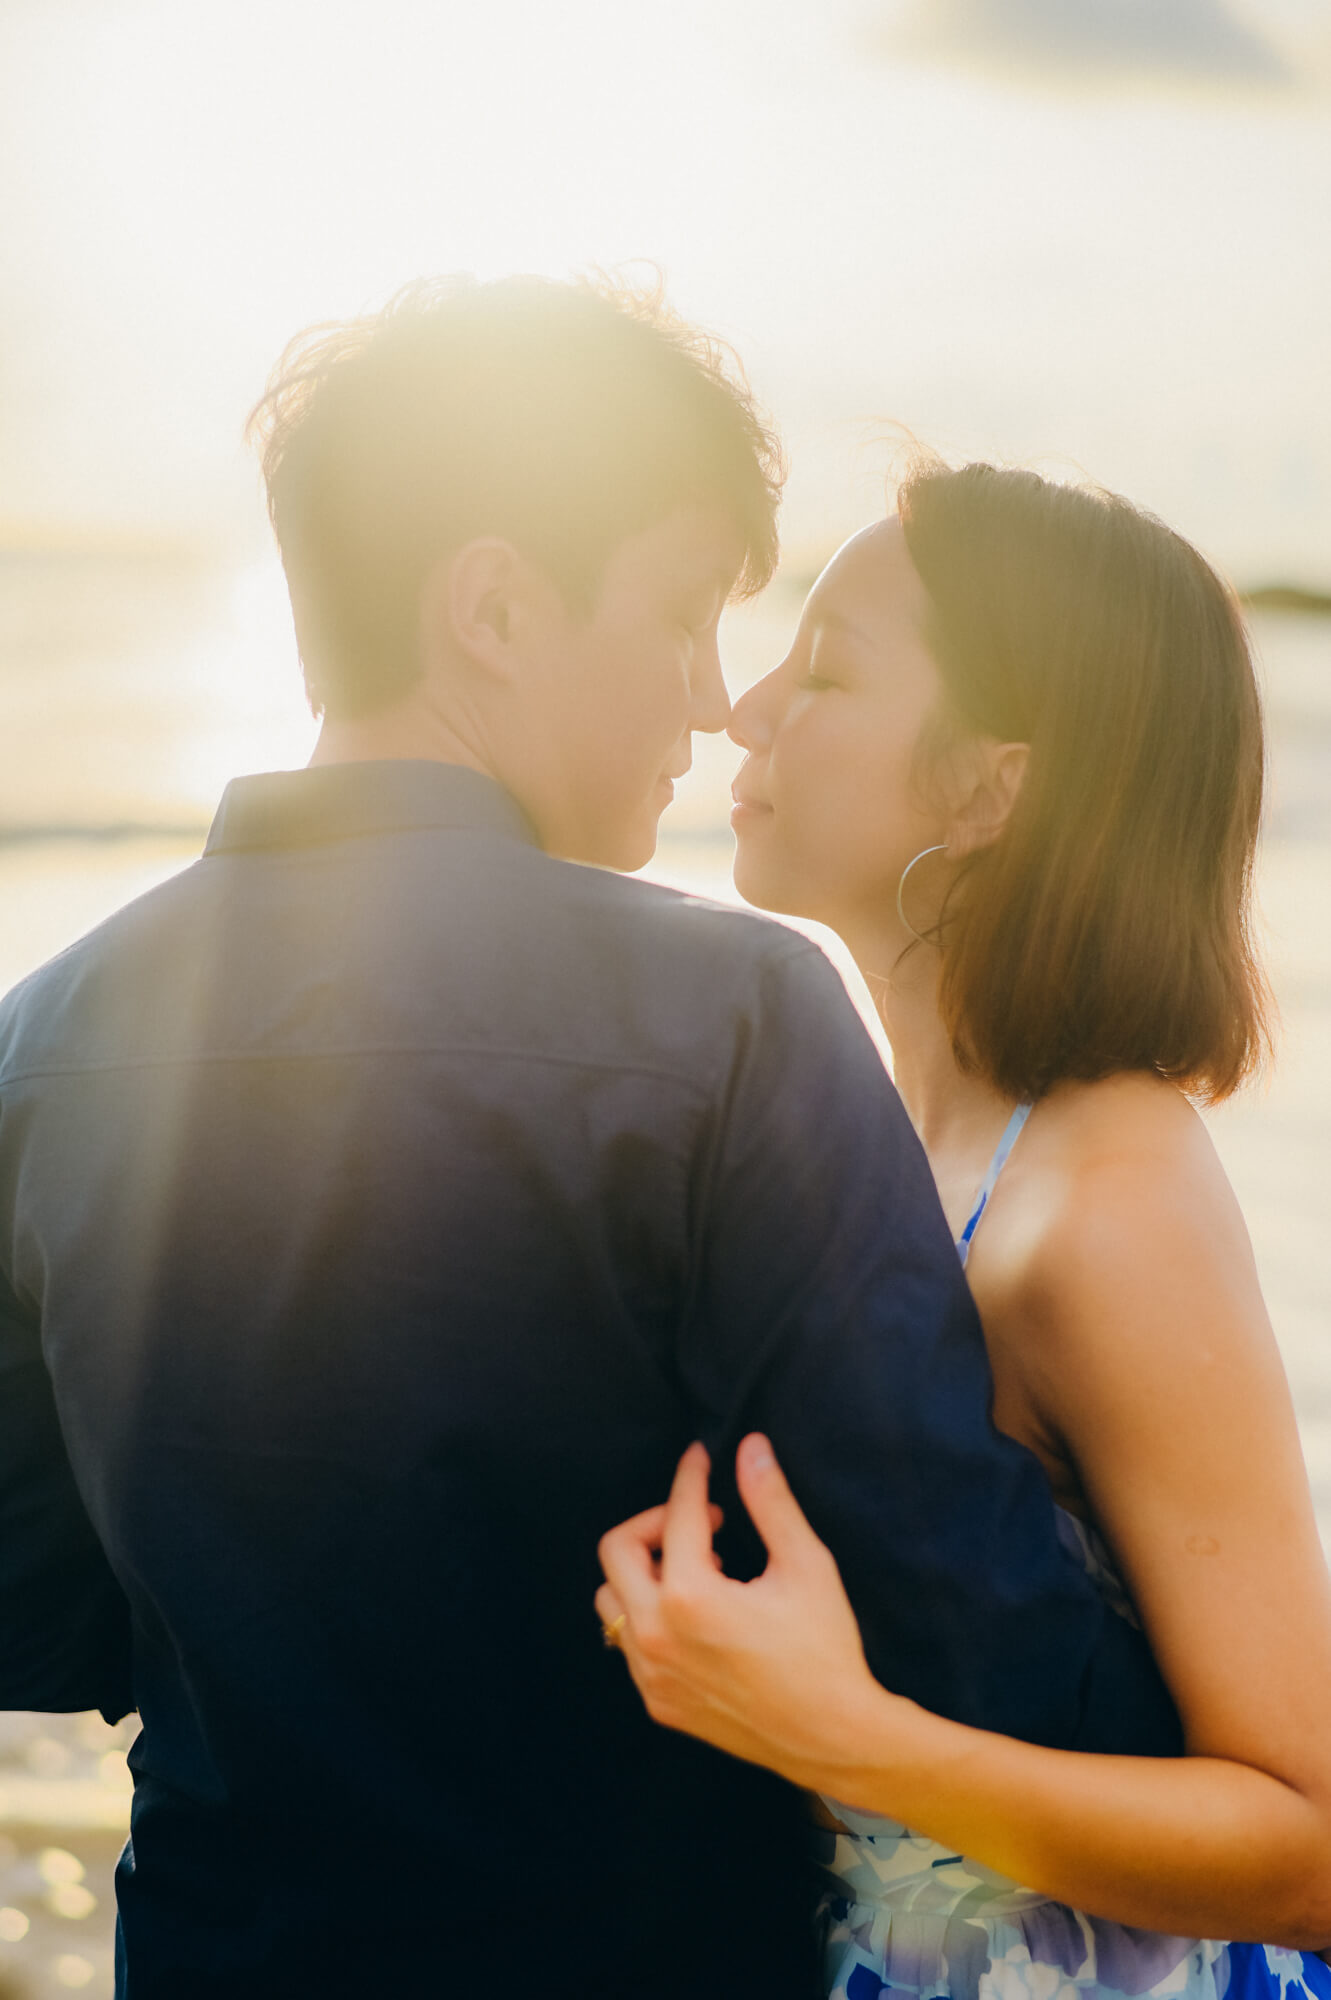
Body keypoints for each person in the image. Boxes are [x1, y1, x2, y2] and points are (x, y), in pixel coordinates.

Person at [0, 285, 1180, 2000]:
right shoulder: (730, 1022)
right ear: (491, 606)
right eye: (687, 616)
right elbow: (968, 1633)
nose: (714, 703)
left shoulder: (44, 1039)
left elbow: (31, 1604)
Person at [595, 461, 1331, 1999]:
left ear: (991, 789)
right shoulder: (879, 1139)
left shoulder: (1105, 1188)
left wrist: (841, 1734)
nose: (748, 711)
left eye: (832, 669)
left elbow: (1310, 1842)